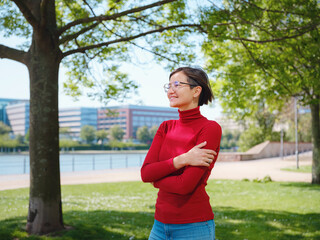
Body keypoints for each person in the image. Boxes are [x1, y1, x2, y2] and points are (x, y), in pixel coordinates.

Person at [141, 66, 222, 240]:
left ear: (196, 91)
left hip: (194, 227)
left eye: (177, 85)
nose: (170, 91)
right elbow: (146, 173)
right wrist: (183, 159)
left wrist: (157, 180)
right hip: (159, 226)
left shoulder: (210, 129)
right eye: (168, 86)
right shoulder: (165, 127)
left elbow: (184, 185)